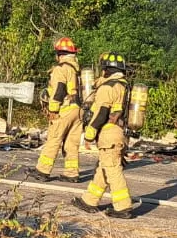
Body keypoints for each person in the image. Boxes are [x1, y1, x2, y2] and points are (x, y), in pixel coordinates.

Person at [74, 53, 134, 219]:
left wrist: (89, 135)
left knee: (113, 168)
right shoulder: (123, 86)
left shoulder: (108, 87)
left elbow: (101, 113)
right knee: (104, 167)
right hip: (120, 132)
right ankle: (90, 201)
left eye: (103, 70)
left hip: (109, 133)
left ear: (107, 70)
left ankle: (123, 206)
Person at [32, 37, 84, 182]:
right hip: (79, 110)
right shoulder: (78, 70)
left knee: (54, 139)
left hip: (65, 109)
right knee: (71, 143)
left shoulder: (61, 69)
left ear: (60, 54)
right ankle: (72, 173)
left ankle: (42, 170)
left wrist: (53, 110)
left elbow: (59, 91)